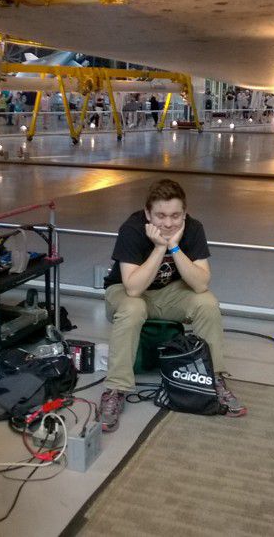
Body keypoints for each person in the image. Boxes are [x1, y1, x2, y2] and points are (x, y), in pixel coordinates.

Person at [100, 179, 246, 432]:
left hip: (169, 294)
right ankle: (115, 389)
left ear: (185, 213)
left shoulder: (194, 228)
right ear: (148, 214)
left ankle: (213, 378)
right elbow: (133, 288)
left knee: (207, 303)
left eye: (176, 216)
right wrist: (159, 248)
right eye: (160, 216)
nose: (168, 223)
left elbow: (201, 284)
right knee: (134, 308)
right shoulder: (132, 229)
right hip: (127, 293)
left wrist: (175, 246)